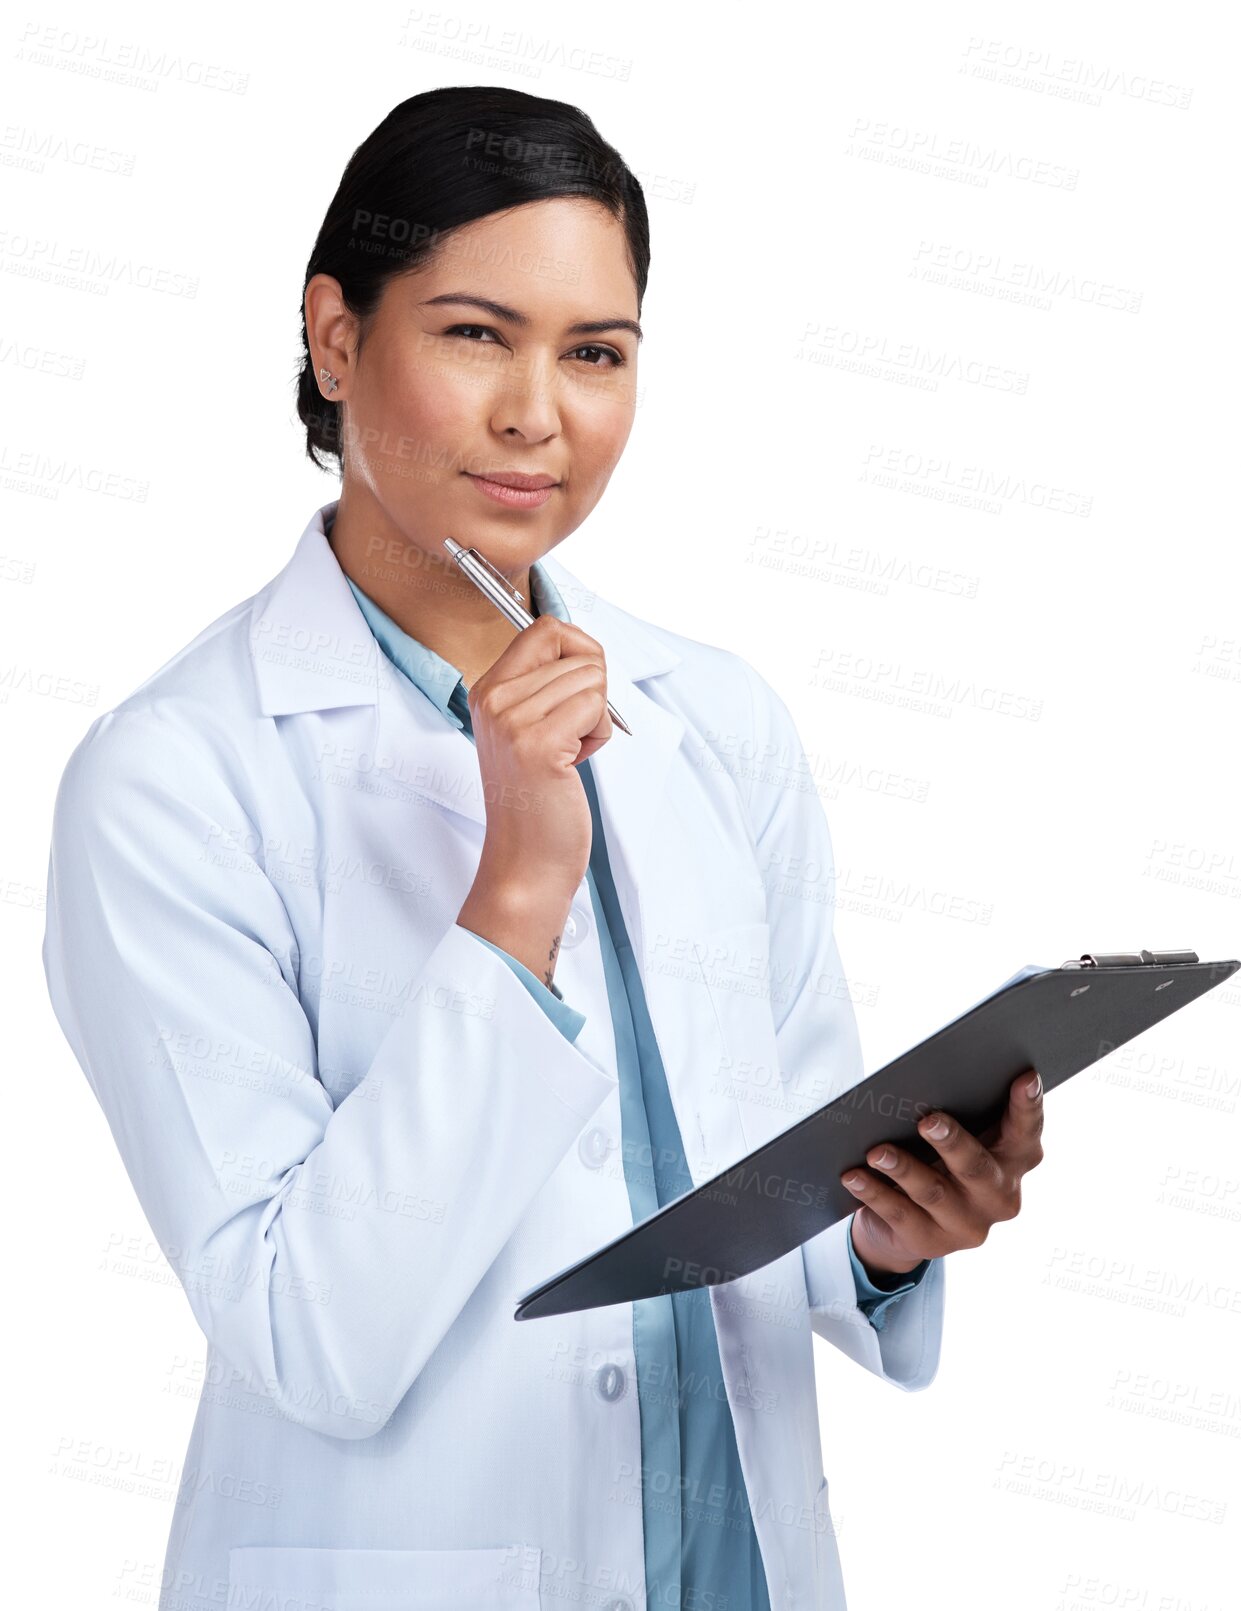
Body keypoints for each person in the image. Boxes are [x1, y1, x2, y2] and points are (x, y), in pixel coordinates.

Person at [41, 85, 1044, 1611]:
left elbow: (782, 1184)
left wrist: (893, 1236)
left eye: (594, 353)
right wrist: (515, 884)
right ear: (332, 339)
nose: (538, 413)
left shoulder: (712, 717)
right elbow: (303, 1331)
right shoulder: (173, 775)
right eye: (471, 334)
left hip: (731, 1565)